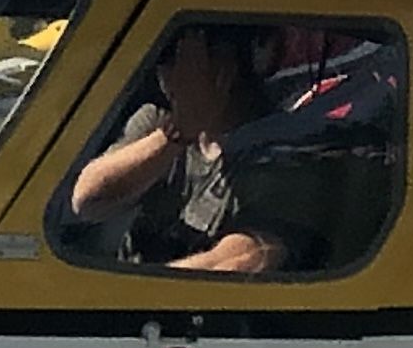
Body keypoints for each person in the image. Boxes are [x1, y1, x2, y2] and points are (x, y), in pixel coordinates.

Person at [60, 24, 303, 274]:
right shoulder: (157, 122)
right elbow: (87, 200)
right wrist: (178, 133)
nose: (170, 76)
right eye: (163, 60)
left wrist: (126, 296)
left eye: (183, 59)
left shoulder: (285, 149)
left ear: (229, 64)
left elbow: (247, 258)